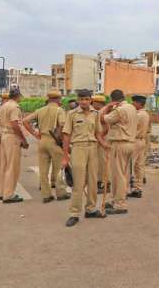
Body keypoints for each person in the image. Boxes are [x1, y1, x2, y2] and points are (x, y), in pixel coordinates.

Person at [62, 89, 107, 226]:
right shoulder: (72, 114)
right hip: (78, 148)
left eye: (86, 99)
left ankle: (91, 209)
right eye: (81, 99)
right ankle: (74, 213)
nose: (84, 102)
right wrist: (65, 156)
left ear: (90, 100)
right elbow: (66, 135)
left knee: (93, 181)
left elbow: (98, 133)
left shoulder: (95, 114)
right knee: (78, 183)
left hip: (93, 148)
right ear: (78, 100)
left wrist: (104, 144)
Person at [23, 90, 70, 203]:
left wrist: (35, 133)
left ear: (48, 99)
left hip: (42, 140)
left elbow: (25, 121)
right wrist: (60, 138)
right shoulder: (59, 110)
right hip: (54, 141)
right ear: (59, 99)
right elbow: (63, 125)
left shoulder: (40, 110)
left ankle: (46, 195)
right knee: (58, 168)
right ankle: (61, 192)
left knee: (43, 170)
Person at [100, 89, 138, 214]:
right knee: (123, 173)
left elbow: (103, 119)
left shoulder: (119, 110)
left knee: (118, 175)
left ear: (113, 100)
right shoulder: (132, 107)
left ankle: (120, 204)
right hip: (130, 143)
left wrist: (107, 107)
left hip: (120, 143)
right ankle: (116, 199)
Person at [0, 87, 29, 204]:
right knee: (12, 167)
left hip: (5, 135)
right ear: (18, 96)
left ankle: (2, 192)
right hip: (12, 137)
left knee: (5, 166)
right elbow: (15, 124)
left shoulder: (4, 106)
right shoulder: (15, 107)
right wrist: (23, 139)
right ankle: (9, 195)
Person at [129, 95, 150, 198]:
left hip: (135, 141)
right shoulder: (145, 114)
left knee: (129, 166)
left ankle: (124, 190)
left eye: (134, 103)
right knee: (139, 166)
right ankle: (138, 188)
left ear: (138, 103)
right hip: (142, 141)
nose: (132, 104)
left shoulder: (137, 115)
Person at [92, 95, 110, 193]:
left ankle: (105, 184)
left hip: (103, 140)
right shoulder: (100, 111)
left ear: (98, 103)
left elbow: (106, 127)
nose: (92, 104)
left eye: (93, 102)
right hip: (101, 139)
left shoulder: (102, 111)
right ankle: (101, 182)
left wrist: (99, 138)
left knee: (103, 163)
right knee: (100, 163)